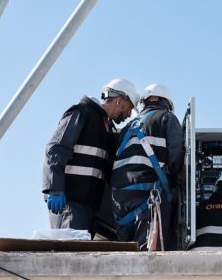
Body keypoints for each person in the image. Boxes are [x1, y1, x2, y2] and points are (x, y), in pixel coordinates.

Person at [42, 78, 139, 235]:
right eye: (129, 108)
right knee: (71, 254)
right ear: (119, 101)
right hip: (69, 204)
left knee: (81, 255)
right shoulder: (82, 113)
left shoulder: (106, 130)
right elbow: (56, 149)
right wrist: (55, 189)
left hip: (89, 208)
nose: (128, 114)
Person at [111, 84, 184, 251]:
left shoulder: (127, 128)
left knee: (124, 255)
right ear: (166, 103)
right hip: (149, 196)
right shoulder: (166, 118)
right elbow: (175, 158)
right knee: (149, 259)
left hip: (119, 201)